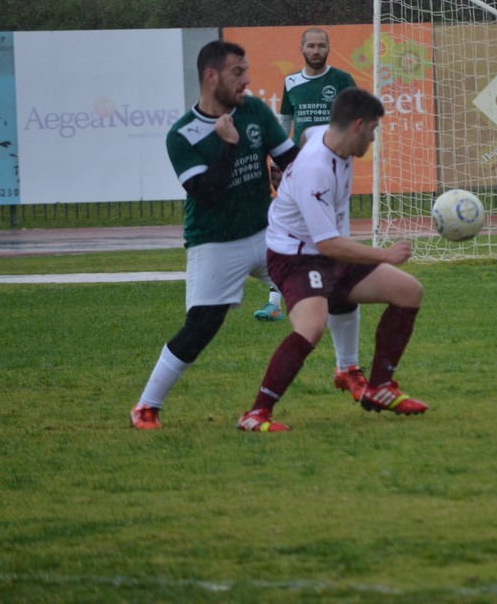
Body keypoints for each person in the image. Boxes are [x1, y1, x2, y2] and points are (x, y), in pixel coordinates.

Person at [129, 40, 302, 430]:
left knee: (325, 290)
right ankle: (146, 407)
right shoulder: (182, 135)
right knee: (201, 328)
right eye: (237, 72)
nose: (247, 80)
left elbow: (291, 160)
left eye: (246, 71)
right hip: (215, 243)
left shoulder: (254, 110)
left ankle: (353, 375)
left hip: (266, 234)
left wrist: (321, 160)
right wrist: (228, 145)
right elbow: (207, 194)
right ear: (211, 77)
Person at [236, 88, 427, 432]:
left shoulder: (324, 135)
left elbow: (307, 134)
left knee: (408, 291)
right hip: (294, 257)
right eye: (373, 129)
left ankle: (380, 387)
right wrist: (384, 255)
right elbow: (327, 244)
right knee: (311, 327)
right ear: (357, 126)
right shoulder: (317, 169)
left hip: (325, 249)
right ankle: (256, 413)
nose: (374, 138)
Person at [255, 27, 367, 399]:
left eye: (321, 45)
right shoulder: (292, 82)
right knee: (296, 241)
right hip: (298, 173)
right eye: (311, 45)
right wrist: (277, 161)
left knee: (334, 247)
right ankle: (281, 300)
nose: (316, 50)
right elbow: (285, 124)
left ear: (328, 48)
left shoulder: (342, 80)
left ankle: (344, 357)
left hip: (330, 170)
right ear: (301, 49)